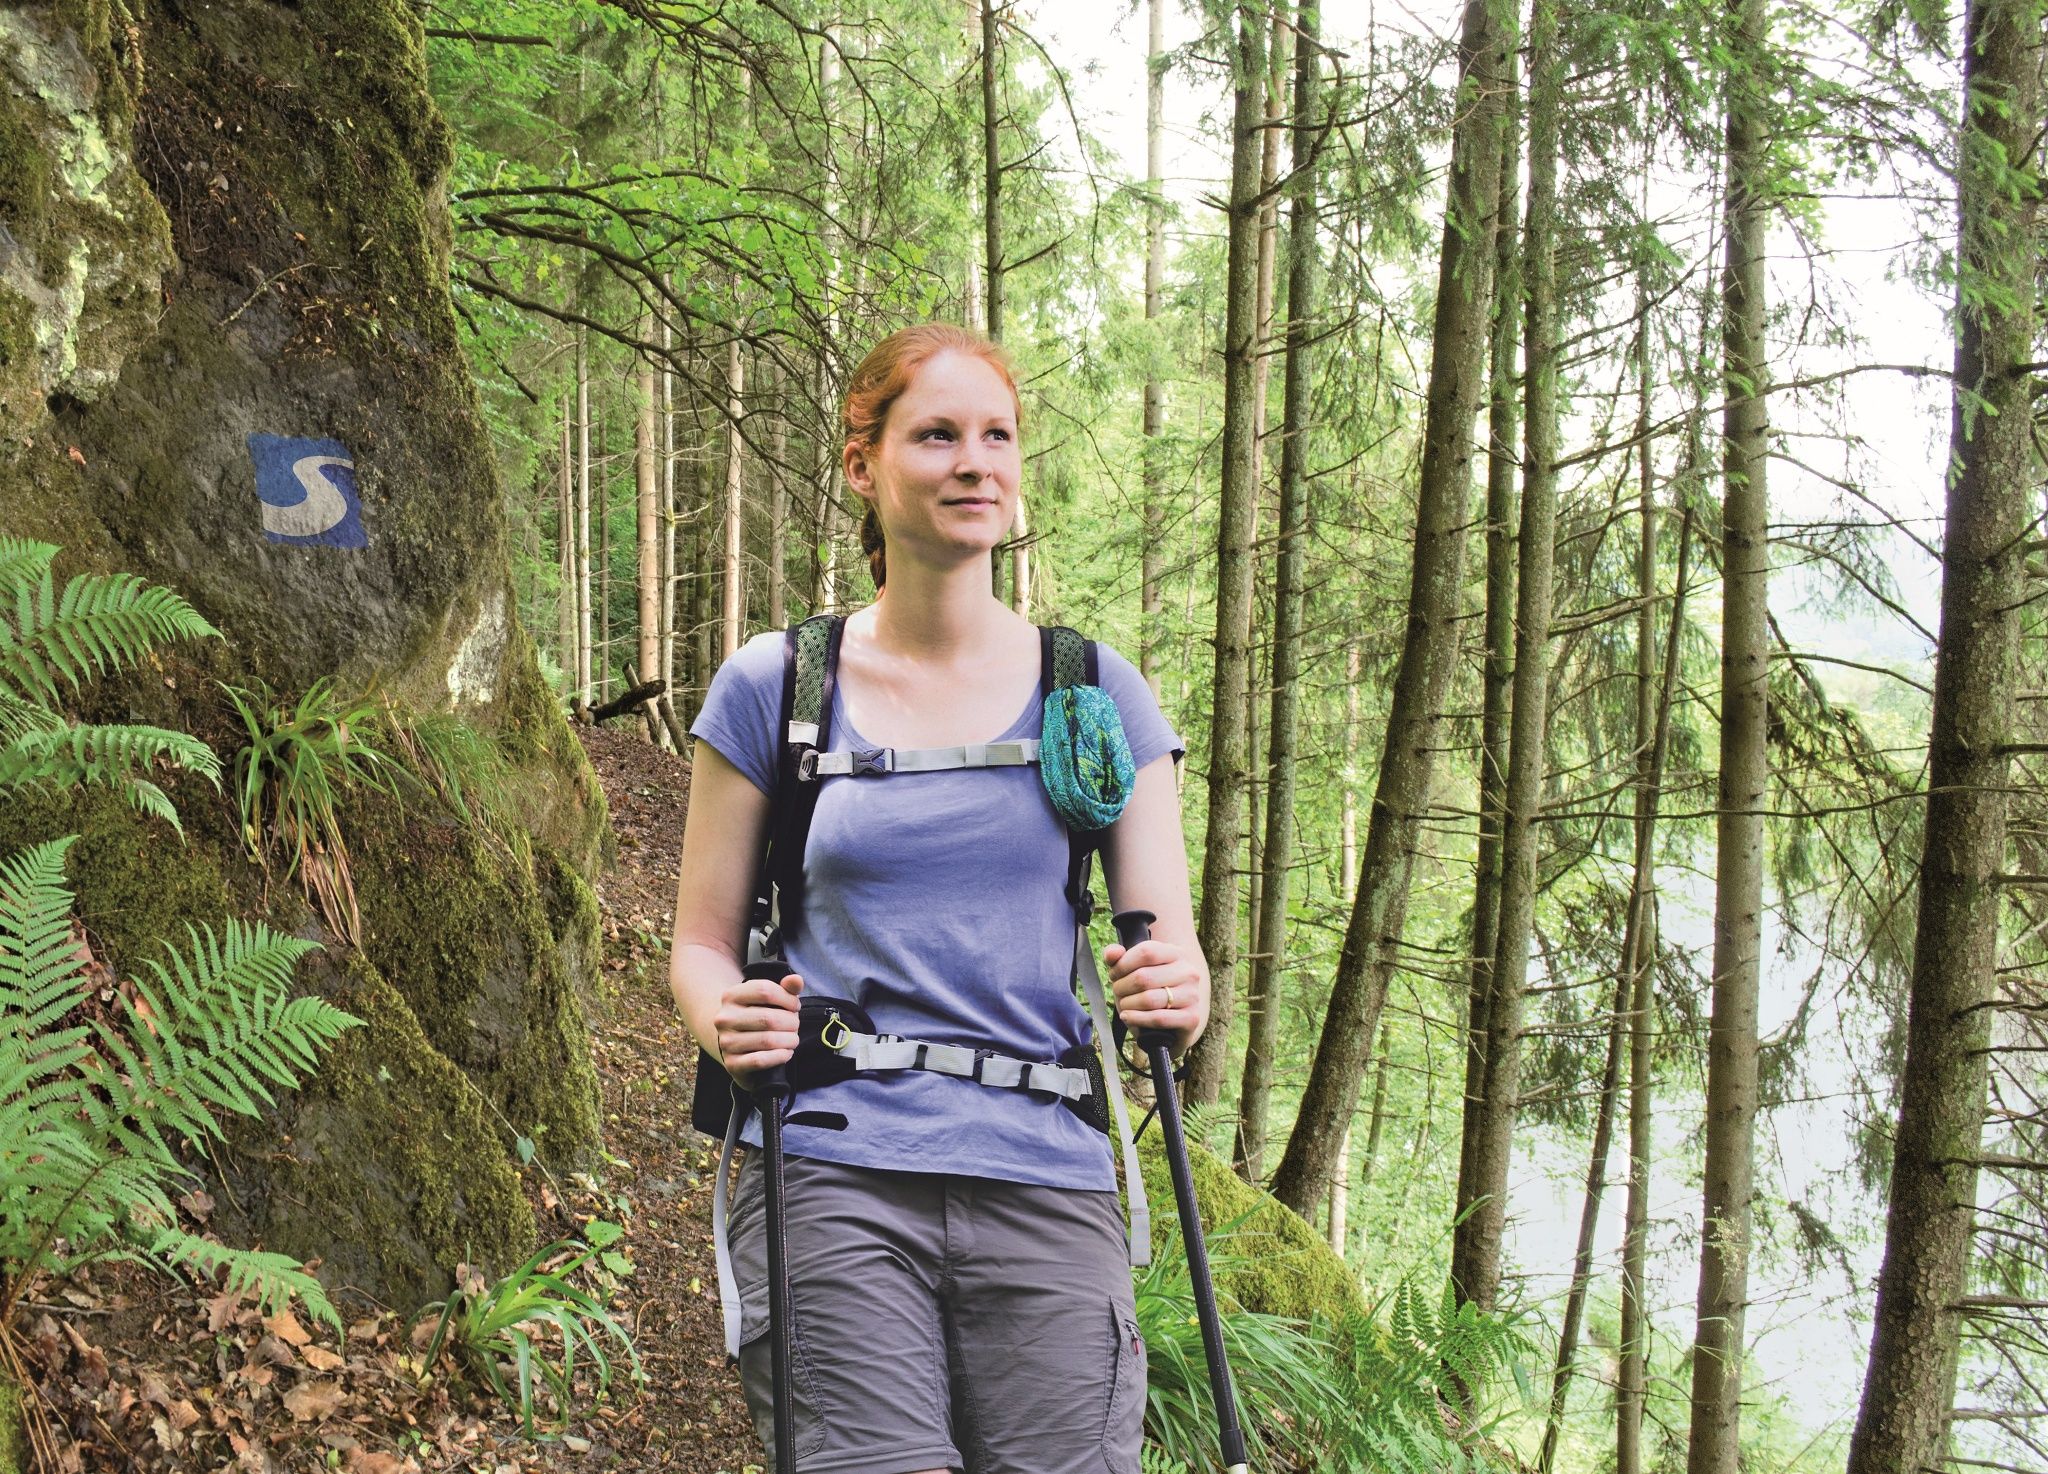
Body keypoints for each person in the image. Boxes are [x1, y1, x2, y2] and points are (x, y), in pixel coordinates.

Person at [668, 322, 1210, 1474]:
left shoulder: (1093, 694)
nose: (974, 462)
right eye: (936, 435)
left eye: (996, 435)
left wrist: (1176, 989)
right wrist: (724, 1016)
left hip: (1045, 1168)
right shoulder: (777, 686)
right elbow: (701, 946)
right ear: (861, 466)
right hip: (828, 1161)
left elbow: (1169, 957)